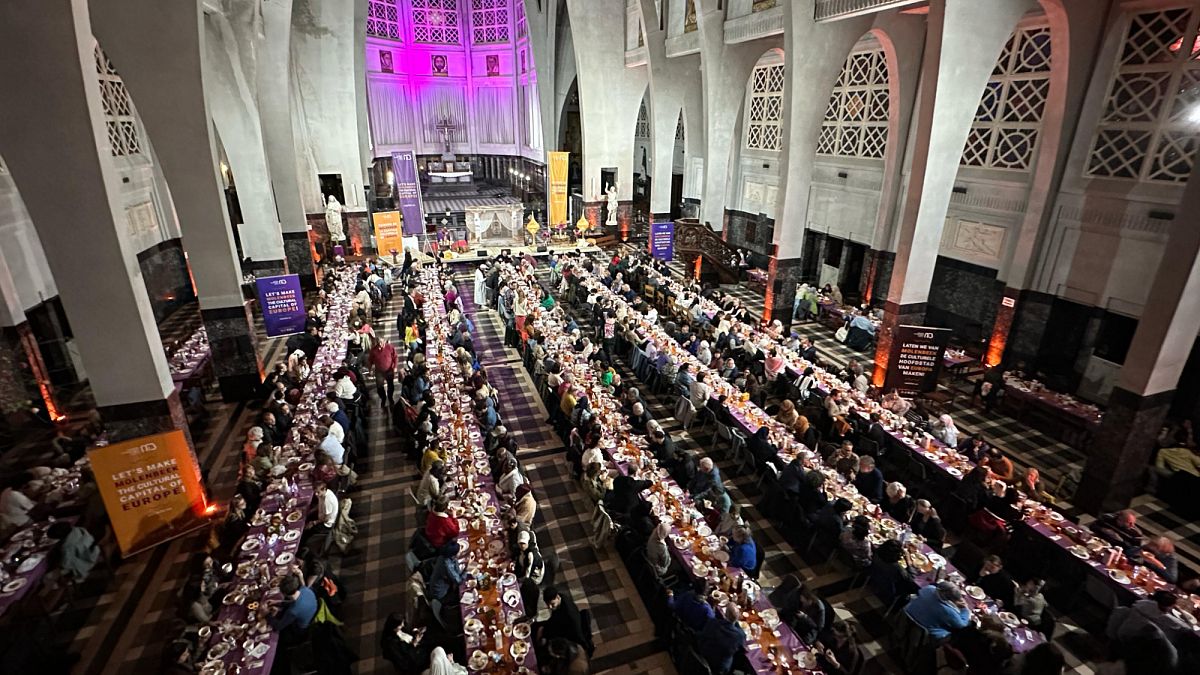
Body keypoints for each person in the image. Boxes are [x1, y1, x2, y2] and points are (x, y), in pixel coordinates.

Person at [905, 581, 971, 640]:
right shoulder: (948, 611)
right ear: (948, 599)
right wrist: (964, 609)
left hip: (904, 619)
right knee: (956, 632)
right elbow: (962, 625)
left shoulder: (929, 588)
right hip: (923, 635)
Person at [697, 602, 747, 675]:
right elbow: (741, 647)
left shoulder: (713, 622)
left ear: (725, 614)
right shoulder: (739, 635)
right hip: (720, 667)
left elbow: (703, 635)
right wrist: (736, 624)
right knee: (739, 658)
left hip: (704, 654)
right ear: (738, 617)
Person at [270, 573, 319, 637]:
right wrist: (277, 602)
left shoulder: (293, 611)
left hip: (301, 628)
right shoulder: (305, 589)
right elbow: (294, 601)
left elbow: (279, 626)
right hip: (311, 613)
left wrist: (267, 615)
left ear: (284, 594)